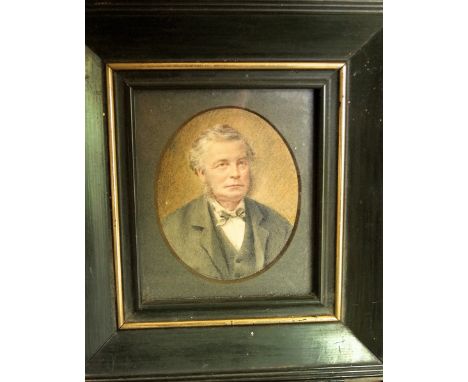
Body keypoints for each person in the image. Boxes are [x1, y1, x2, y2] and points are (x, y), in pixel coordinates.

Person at [162, 124, 292, 280]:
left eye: (241, 163)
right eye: (222, 164)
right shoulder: (173, 228)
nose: (235, 173)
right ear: (201, 173)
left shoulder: (279, 225)